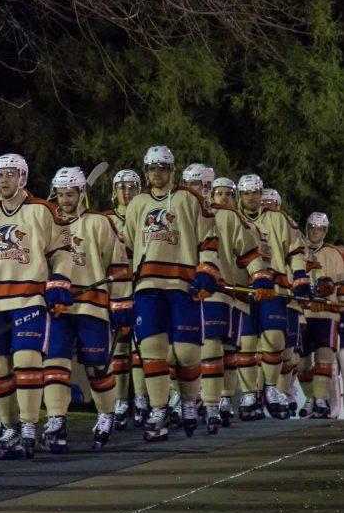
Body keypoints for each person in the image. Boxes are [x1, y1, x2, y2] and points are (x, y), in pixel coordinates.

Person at [0, 154, 73, 458]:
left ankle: (28, 426)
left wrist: (60, 281)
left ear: (23, 178)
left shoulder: (43, 210)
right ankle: (9, 427)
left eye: (10, 174)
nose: (3, 179)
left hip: (29, 298)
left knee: (27, 360)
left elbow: (61, 251)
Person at [123, 146, 220, 441]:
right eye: (152, 169)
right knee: (152, 350)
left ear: (172, 170)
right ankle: (159, 410)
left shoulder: (189, 199)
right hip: (147, 287)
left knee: (187, 352)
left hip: (182, 285)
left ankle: (190, 402)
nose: (157, 174)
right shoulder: (137, 204)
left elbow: (208, 239)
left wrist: (207, 271)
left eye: (162, 168)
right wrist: (121, 288)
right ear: (145, 171)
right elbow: (127, 248)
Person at [47, 167, 132, 450]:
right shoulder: (48, 222)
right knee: (54, 365)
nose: (64, 200)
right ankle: (56, 420)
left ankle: (106, 414)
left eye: (70, 194)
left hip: (92, 305)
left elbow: (118, 265)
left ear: (82, 193)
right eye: (60, 194)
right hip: (58, 307)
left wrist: (121, 303)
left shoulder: (99, 222)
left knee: (97, 367)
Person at [183, 166, 272, 434]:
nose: (196, 190)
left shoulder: (227, 217)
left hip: (219, 291)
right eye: (191, 184)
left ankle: (214, 403)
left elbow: (248, 251)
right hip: (181, 291)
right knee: (180, 349)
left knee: (217, 348)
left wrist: (260, 275)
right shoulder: (176, 210)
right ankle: (188, 401)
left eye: (200, 185)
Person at [237, 174, 310, 420]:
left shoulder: (279, 219)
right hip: (243, 288)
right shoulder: (231, 218)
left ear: (261, 193)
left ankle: (270, 388)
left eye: (255, 192)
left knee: (275, 340)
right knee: (246, 344)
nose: (251, 197)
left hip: (275, 287)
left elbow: (297, 250)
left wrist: (300, 277)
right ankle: (249, 393)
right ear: (240, 195)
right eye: (246, 193)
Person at [104, 169, 147, 429]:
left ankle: (142, 399)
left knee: (142, 345)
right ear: (114, 191)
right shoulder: (106, 219)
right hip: (117, 288)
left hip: (142, 284)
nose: (127, 191)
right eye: (122, 186)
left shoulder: (144, 214)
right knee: (119, 348)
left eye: (132, 186)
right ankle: (121, 401)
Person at [296, 212, 344, 418]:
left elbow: (342, 284)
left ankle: (321, 399)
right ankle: (310, 395)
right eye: (312, 228)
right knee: (301, 362)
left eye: (320, 229)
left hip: (327, 315)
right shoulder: (296, 250)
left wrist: (341, 305)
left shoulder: (334, 254)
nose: (315, 232)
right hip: (303, 314)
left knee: (325, 357)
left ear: (325, 231)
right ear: (306, 227)